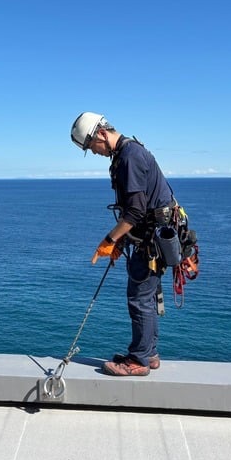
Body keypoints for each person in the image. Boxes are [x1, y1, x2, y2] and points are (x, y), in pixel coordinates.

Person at [70, 112, 176, 377]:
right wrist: (122, 240)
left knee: (139, 299)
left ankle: (139, 360)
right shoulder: (127, 153)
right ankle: (147, 353)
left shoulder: (129, 156)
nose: (94, 152)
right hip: (149, 237)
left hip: (149, 240)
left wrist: (110, 240)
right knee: (145, 297)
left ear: (102, 133)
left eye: (92, 146)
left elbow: (136, 212)